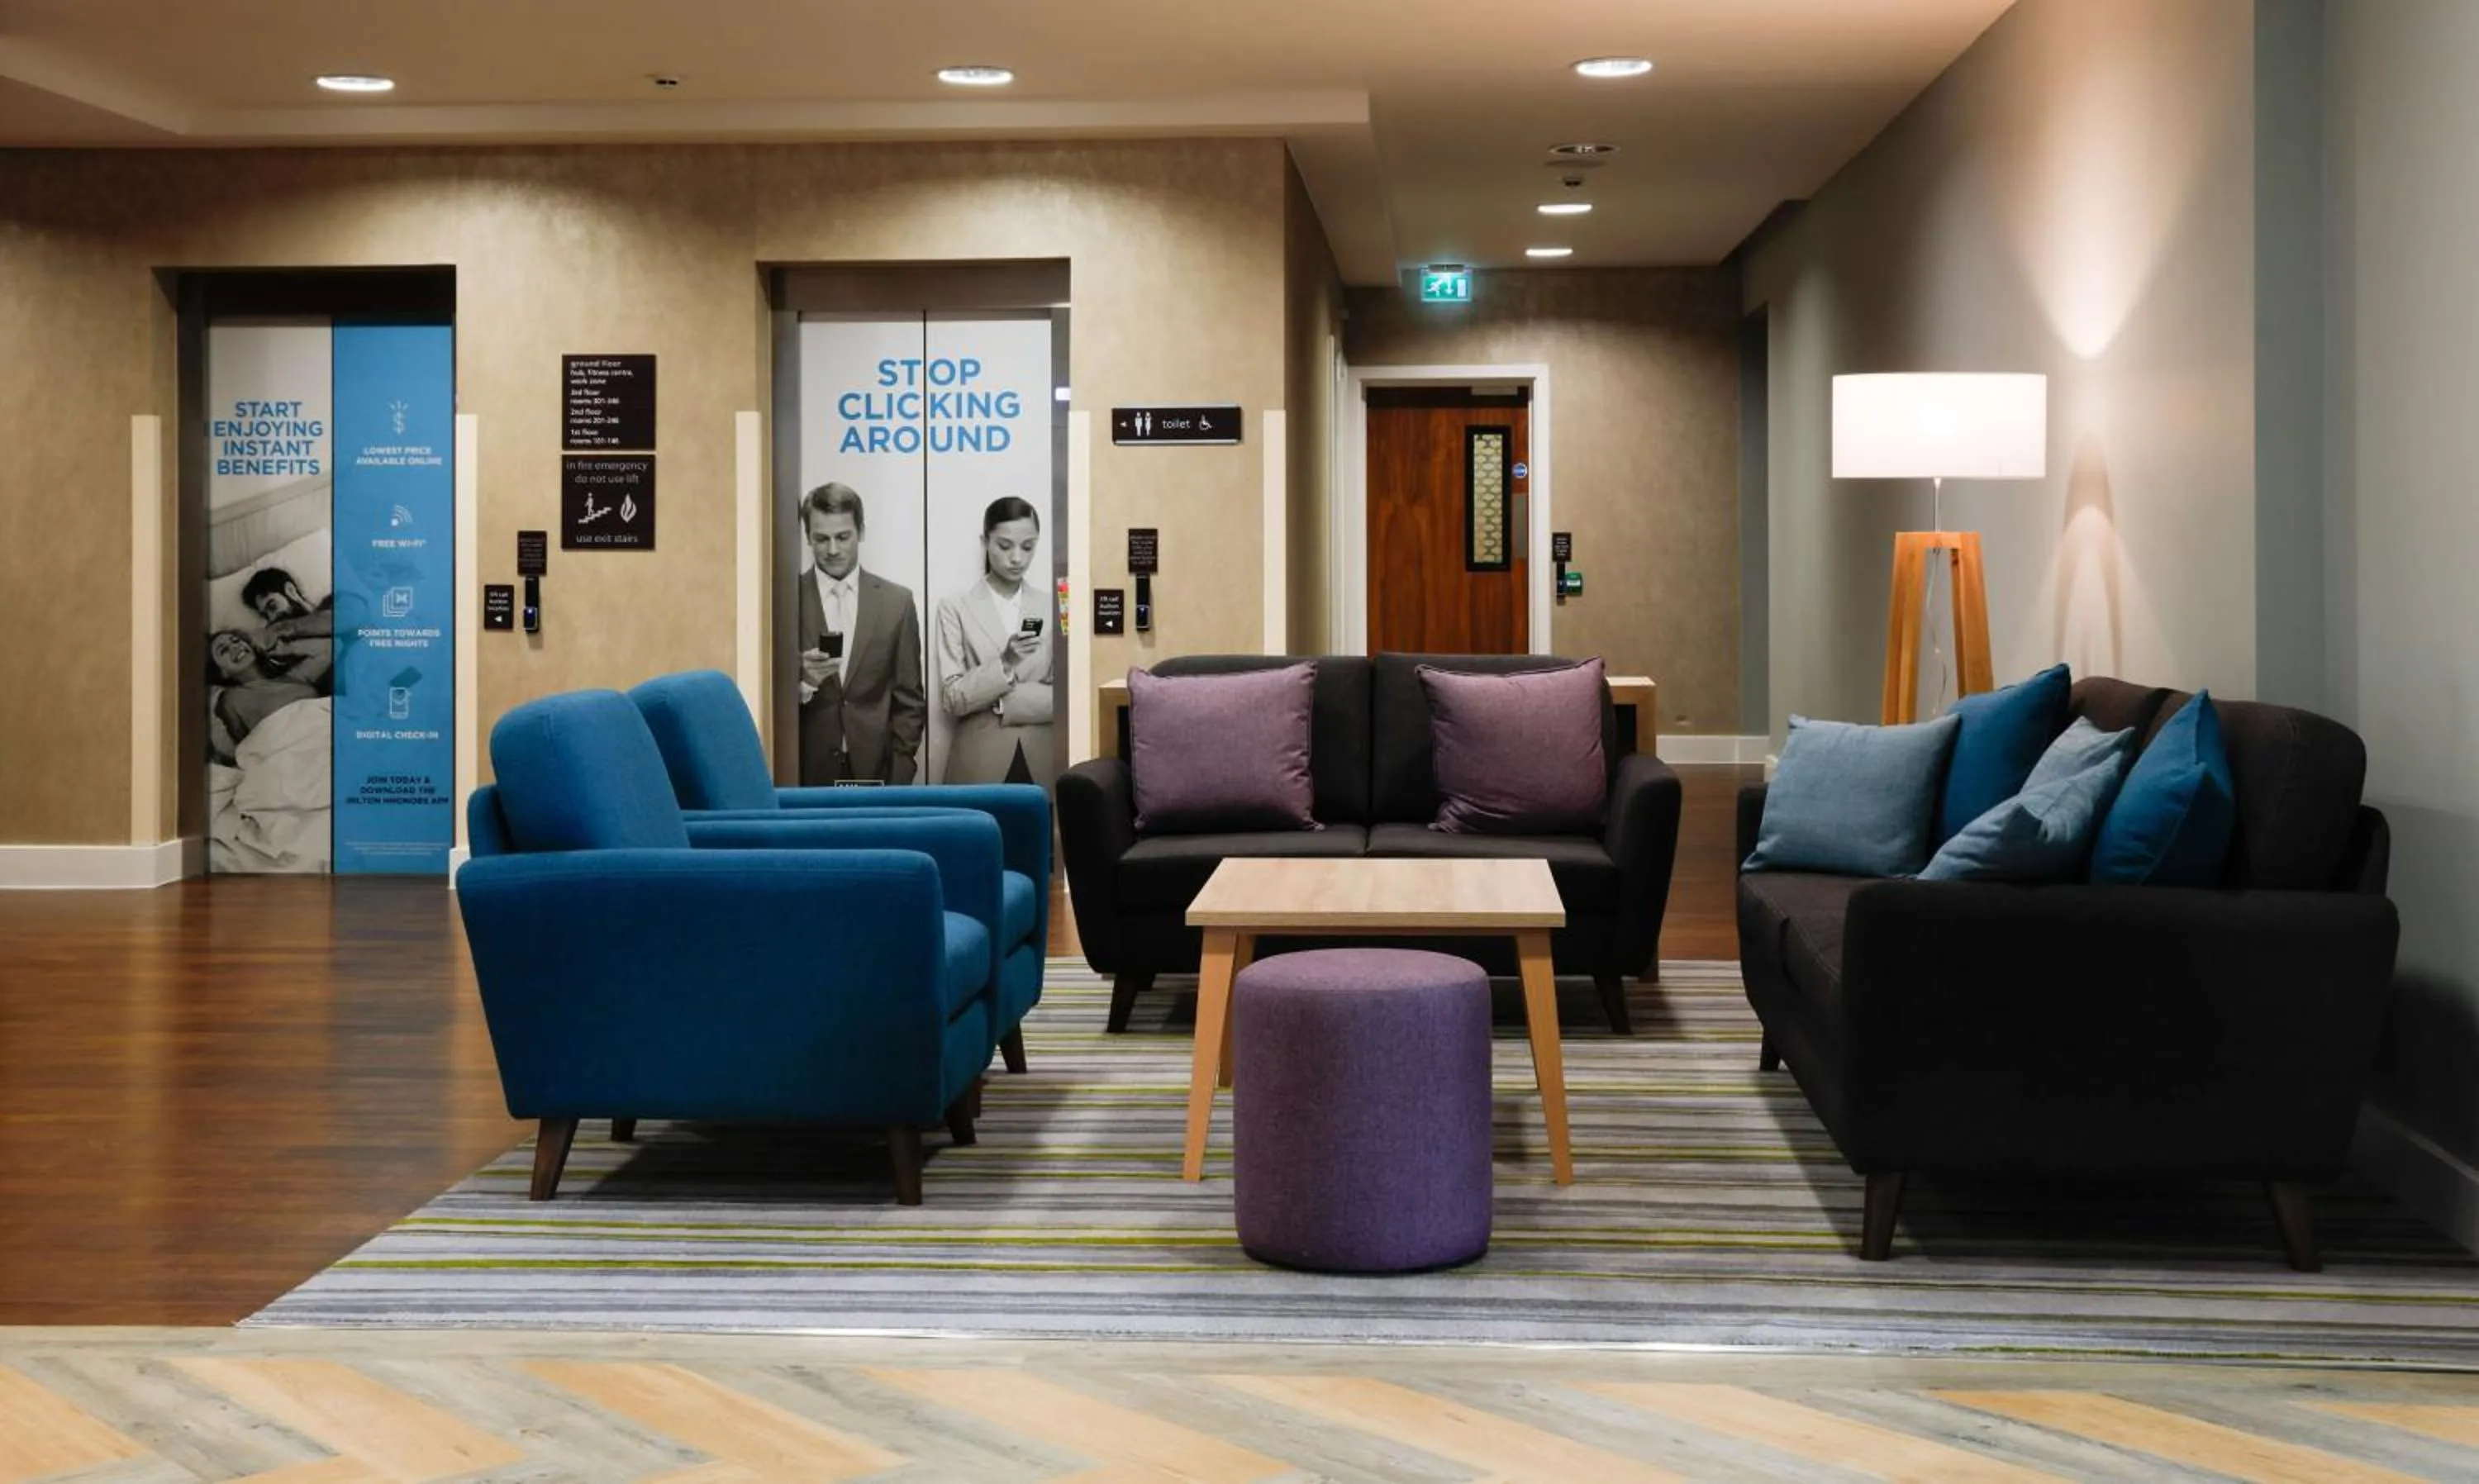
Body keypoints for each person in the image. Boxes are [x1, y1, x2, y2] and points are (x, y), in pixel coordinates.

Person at [797, 482, 925, 784]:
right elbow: (766, 699)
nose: (833, 550)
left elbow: (910, 701)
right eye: (821, 539)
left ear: (861, 532)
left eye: (843, 537)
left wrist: (900, 775)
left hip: (878, 774)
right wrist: (805, 683)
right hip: (804, 774)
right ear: (807, 537)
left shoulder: (897, 603)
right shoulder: (783, 600)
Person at [935, 496, 1054, 786]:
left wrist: (1000, 702)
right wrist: (1005, 663)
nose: (1017, 558)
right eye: (1005, 546)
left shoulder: (1055, 605)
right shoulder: (955, 607)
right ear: (985, 542)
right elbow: (952, 698)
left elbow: (1068, 696)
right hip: (978, 763)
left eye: (1028, 547)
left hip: (1044, 761)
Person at [207, 628, 329, 753]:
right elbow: (240, 750)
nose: (235, 647)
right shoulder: (231, 699)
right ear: (222, 673)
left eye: (236, 641)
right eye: (224, 650)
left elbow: (329, 648)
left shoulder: (293, 677)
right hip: (299, 752)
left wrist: (280, 648)